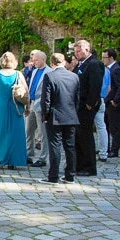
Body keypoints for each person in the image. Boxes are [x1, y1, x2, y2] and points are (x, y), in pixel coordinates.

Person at [0, 51, 29, 169]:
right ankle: (13, 160)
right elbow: (26, 90)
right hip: (15, 105)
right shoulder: (18, 74)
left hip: (1, 106)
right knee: (15, 133)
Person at [39, 53, 80, 184]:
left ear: (52, 63)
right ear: (64, 62)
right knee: (70, 146)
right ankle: (70, 175)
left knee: (55, 146)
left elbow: (46, 99)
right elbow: (77, 98)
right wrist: (74, 112)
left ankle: (53, 176)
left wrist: (45, 116)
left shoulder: (49, 76)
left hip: (54, 116)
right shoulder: (74, 76)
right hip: (71, 115)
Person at [73, 39, 104, 176]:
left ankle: (89, 167)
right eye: (75, 52)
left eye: (78, 51)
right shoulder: (81, 65)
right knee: (78, 137)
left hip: (86, 106)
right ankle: (79, 165)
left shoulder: (94, 64)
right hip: (78, 106)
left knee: (85, 137)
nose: (77, 54)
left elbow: (95, 86)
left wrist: (90, 104)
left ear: (87, 50)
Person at [25, 51, 49, 168]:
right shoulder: (34, 71)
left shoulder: (49, 72)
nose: (33, 62)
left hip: (41, 104)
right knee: (28, 129)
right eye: (33, 60)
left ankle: (43, 157)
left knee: (42, 132)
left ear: (43, 60)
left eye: (36, 60)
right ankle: (29, 154)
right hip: (32, 103)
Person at [103, 48, 120, 158]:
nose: (103, 60)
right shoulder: (108, 69)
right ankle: (106, 148)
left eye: (104, 58)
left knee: (114, 127)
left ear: (111, 58)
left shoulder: (116, 69)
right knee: (106, 126)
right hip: (107, 101)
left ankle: (114, 150)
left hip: (113, 103)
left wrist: (115, 101)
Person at [94, 51, 112, 162]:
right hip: (101, 99)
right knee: (101, 127)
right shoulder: (106, 70)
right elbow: (109, 88)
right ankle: (103, 152)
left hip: (92, 99)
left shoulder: (92, 68)